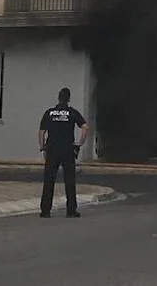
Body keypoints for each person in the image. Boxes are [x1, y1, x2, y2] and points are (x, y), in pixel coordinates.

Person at [39, 87, 88, 219]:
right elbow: (84, 126)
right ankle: (71, 210)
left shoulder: (49, 113)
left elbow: (42, 131)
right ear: (68, 99)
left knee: (49, 180)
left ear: (58, 98)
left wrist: (42, 147)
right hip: (67, 149)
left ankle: (45, 211)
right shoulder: (71, 112)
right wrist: (80, 142)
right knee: (70, 181)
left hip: (52, 149)